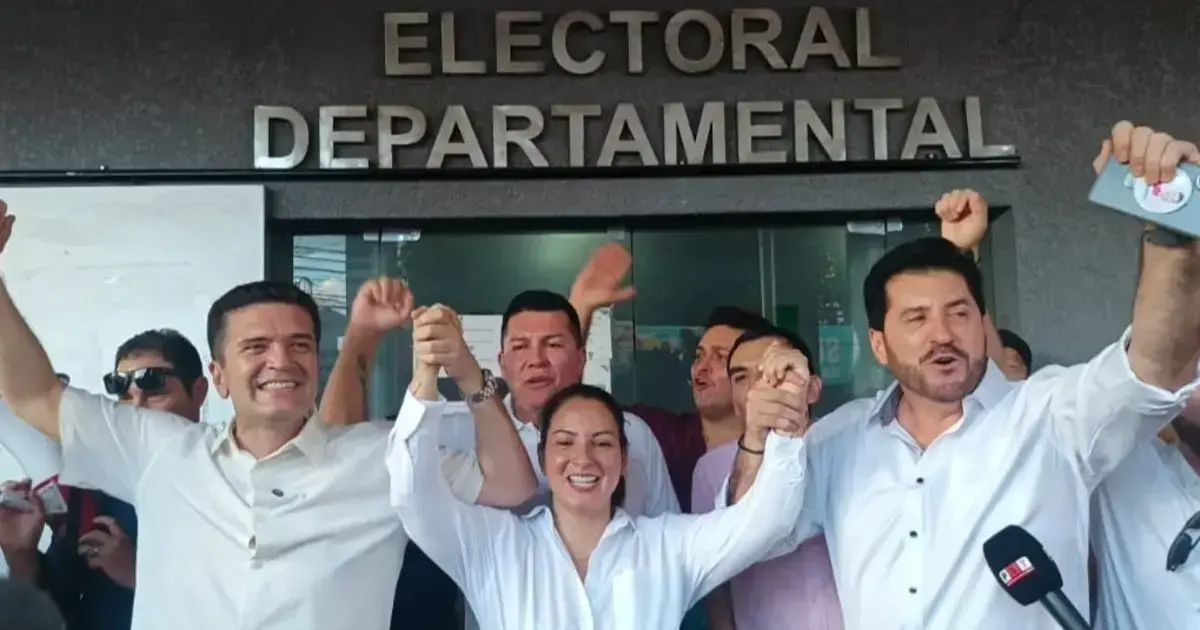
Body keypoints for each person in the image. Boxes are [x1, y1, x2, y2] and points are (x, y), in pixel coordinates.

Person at [722, 121, 1200, 629]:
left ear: (982, 319)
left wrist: (1171, 225)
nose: (942, 334)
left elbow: (1153, 366)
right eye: (916, 319)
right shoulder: (839, 440)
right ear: (878, 344)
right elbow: (757, 531)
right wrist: (762, 438)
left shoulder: (1050, 417)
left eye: (959, 312)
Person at [0, 203, 536, 630]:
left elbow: (510, 486)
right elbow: (35, 397)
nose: (280, 361)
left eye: (299, 345)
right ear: (219, 375)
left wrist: (467, 374)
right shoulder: (159, 450)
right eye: (256, 346)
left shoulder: (381, 458)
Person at [388, 305, 809, 629]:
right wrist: (427, 372)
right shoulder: (496, 545)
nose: (583, 459)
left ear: (624, 460)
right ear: (542, 459)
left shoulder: (667, 546)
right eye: (565, 443)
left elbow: (764, 522)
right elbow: (414, 500)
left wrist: (783, 425)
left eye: (602, 443)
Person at [0, 329, 206, 630]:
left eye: (155, 388)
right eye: (123, 393)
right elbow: (55, 608)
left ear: (198, 393)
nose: (136, 408)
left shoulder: (226, 483)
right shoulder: (98, 491)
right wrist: (20, 553)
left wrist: (136, 575)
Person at [691, 326, 842, 630]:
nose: (756, 389)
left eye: (774, 371)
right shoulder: (711, 470)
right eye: (741, 378)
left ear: (812, 388)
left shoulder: (847, 445)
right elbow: (715, 581)